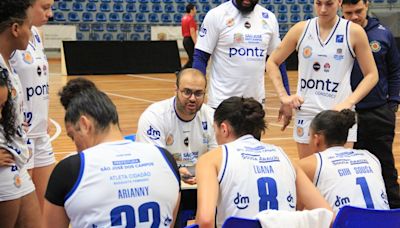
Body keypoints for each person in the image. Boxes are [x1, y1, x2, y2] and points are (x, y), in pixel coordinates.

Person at [43, 78, 181, 228]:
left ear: (84, 124)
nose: (76, 147)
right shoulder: (166, 159)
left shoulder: (70, 169)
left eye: (73, 137)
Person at [195, 96, 332, 228]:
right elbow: (327, 214)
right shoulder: (284, 156)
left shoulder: (211, 159)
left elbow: (206, 220)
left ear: (224, 129)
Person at [266, 0, 379, 159]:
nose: (323, 9)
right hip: (307, 112)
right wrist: (284, 96)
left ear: (339, 2)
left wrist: (348, 102)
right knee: (310, 174)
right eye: (318, 3)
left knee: (339, 173)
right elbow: (272, 62)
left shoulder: (354, 32)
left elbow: (372, 74)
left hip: (339, 113)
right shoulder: (301, 29)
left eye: (329, 4)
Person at [341, 0, 400, 209]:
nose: (354, 16)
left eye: (359, 11)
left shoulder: (383, 34)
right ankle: (355, 208)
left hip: (378, 112)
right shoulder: (337, 34)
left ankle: (394, 208)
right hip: (345, 115)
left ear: (367, 5)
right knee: (346, 166)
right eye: (349, 13)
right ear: (341, 9)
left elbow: (395, 70)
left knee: (384, 164)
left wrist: (392, 103)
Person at [193, 0, 291, 112]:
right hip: (222, 103)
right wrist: (195, 93)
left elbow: (278, 61)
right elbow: (201, 57)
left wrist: (286, 98)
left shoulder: (269, 18)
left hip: (255, 105)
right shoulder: (216, 15)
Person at [9, 0, 55, 211]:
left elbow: (39, 79)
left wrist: (44, 113)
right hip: (19, 137)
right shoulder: (11, 36)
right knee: (23, 213)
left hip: (40, 133)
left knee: (44, 208)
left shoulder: (36, 33)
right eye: (45, 7)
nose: (50, 14)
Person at [0, 0, 42, 227]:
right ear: (15, 29)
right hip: (3, 171)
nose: (31, 31)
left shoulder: (8, 65)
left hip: (17, 164)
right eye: (28, 25)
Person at [298, 109, 390, 213]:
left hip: (349, 223)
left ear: (317, 139)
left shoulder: (307, 164)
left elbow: (295, 209)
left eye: (309, 135)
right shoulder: (371, 157)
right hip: (387, 222)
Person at [136, 68, 217, 185]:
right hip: (164, 179)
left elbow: (216, 158)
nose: (193, 98)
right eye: (187, 92)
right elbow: (152, 161)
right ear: (176, 90)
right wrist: (176, 171)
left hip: (202, 180)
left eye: (198, 93)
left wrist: (205, 174)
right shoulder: (154, 116)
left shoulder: (211, 117)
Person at [181, 3, 197, 70]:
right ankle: (182, 71)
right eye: (195, 9)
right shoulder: (191, 19)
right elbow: (192, 32)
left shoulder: (184, 18)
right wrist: (196, 43)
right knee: (193, 58)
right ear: (191, 10)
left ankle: (183, 71)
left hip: (185, 40)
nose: (196, 11)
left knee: (192, 58)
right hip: (190, 40)